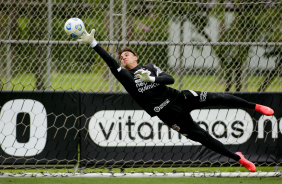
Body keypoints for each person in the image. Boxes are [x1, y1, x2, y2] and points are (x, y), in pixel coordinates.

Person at [77, 29, 274, 172]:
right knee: (203, 137)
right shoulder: (127, 78)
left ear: (136, 57)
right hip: (169, 115)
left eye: (127, 55)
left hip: (181, 98)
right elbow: (111, 63)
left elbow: (170, 80)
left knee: (218, 97)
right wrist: (94, 44)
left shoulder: (150, 68)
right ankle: (239, 159)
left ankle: (254, 106)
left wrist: (151, 78)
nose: (123, 58)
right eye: (121, 57)